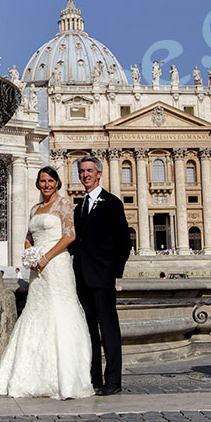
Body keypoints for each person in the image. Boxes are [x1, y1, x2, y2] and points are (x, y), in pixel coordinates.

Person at [0, 166, 94, 400]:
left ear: (57, 183)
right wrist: (31, 256)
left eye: (50, 180)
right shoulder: (35, 209)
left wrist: (46, 257)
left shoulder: (64, 204)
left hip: (57, 265)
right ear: (38, 184)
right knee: (36, 313)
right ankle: (31, 374)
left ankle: (67, 377)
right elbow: (28, 238)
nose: (46, 184)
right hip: (38, 269)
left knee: (60, 312)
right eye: (42, 181)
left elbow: (70, 236)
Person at [71, 155, 131, 396]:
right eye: (82, 171)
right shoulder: (79, 206)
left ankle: (113, 380)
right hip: (82, 277)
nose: (85, 175)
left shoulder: (112, 203)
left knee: (108, 330)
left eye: (89, 171)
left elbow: (124, 242)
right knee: (89, 331)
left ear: (99, 174)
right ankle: (95, 378)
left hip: (102, 278)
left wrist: (112, 273)